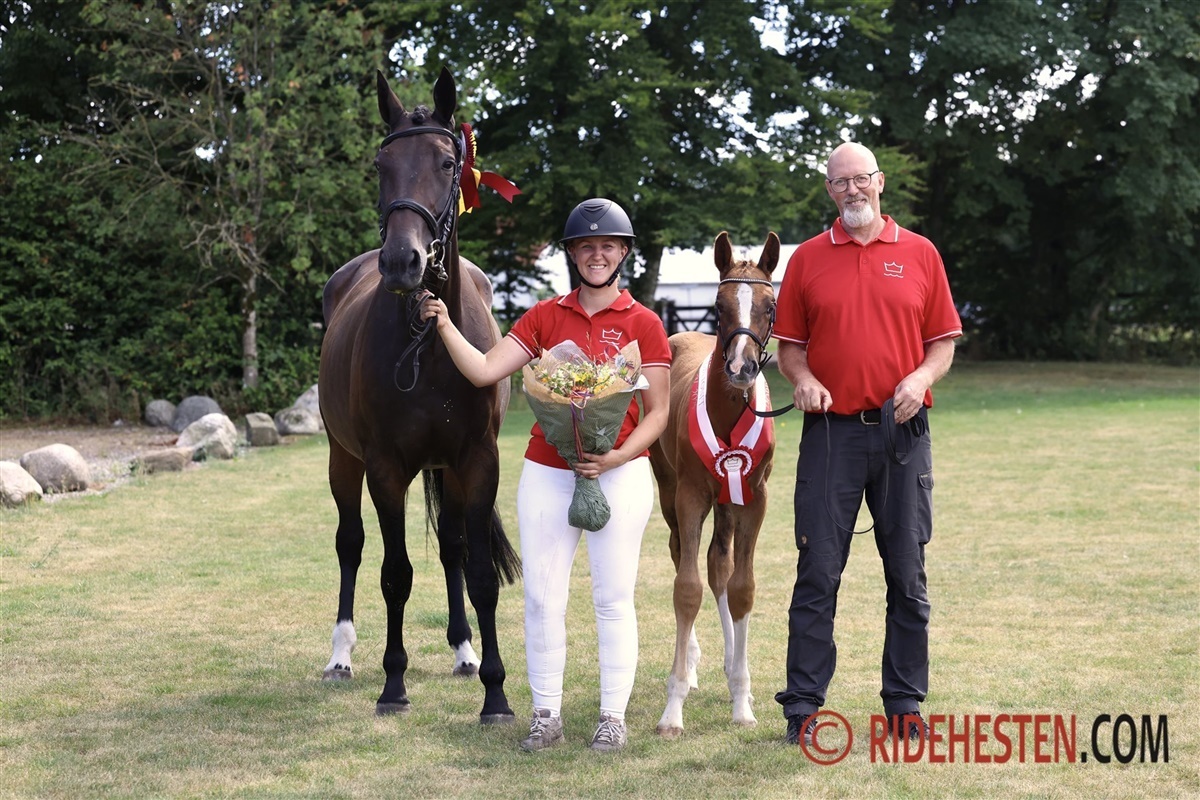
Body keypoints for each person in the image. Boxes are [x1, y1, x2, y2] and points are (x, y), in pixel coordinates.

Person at [419, 198, 671, 752]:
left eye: (608, 246)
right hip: (548, 470)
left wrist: (614, 457)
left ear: (623, 253)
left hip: (621, 474)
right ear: (572, 255)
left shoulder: (644, 323)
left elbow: (658, 413)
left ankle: (612, 717)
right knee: (540, 598)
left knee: (613, 599)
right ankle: (545, 714)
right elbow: (485, 370)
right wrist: (444, 324)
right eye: (586, 247)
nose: (597, 255)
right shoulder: (543, 316)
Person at [771, 142, 962, 745]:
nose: (852, 190)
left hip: (903, 434)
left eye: (861, 179)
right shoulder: (807, 258)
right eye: (840, 182)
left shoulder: (920, 252)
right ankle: (803, 708)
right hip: (831, 434)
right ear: (829, 190)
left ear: (879, 182)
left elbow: (942, 343)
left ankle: (904, 705)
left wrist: (921, 378)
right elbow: (790, 349)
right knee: (818, 571)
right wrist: (802, 379)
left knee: (907, 573)